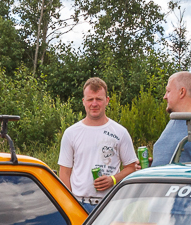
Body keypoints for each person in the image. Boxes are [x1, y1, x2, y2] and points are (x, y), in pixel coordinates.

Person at [57, 77, 138, 212]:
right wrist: (69, 205)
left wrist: (113, 179)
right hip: (79, 203)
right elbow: (64, 173)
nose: (94, 104)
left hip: (110, 204)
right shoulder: (71, 133)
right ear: (84, 101)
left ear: (107, 100)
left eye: (99, 99)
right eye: (90, 99)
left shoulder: (120, 132)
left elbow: (131, 167)